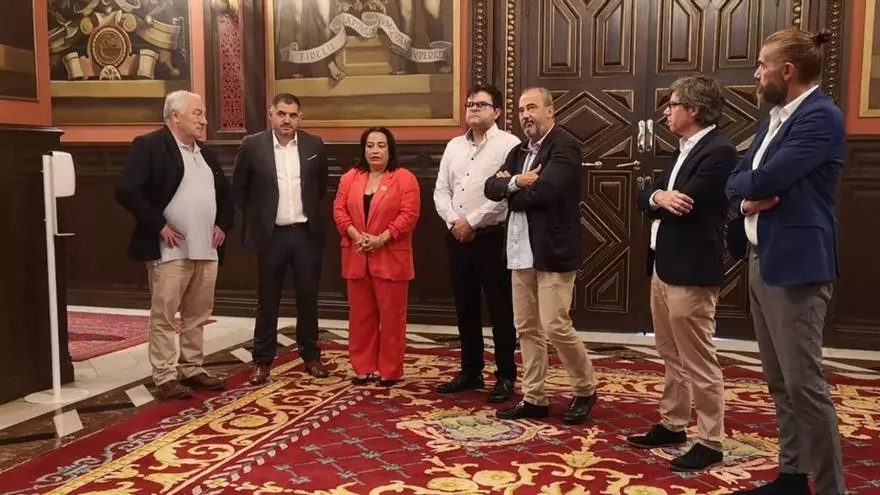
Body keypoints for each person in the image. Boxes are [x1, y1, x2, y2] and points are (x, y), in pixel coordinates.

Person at [726, 28, 845, 495]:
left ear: (787, 71)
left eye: (762, 65)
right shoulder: (775, 118)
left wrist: (747, 188)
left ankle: (832, 489)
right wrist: (744, 199)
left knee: (804, 385)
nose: (757, 73)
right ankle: (793, 476)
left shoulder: (820, 117)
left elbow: (764, 178)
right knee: (779, 381)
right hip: (763, 258)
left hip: (797, 266)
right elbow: (737, 180)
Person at [627, 75, 736, 471]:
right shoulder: (683, 150)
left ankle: (710, 440)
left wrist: (659, 200)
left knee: (698, 357)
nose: (666, 113)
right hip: (663, 264)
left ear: (693, 109)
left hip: (691, 269)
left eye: (672, 105)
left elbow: (688, 204)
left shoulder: (719, 151)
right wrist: (658, 196)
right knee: (669, 351)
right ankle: (673, 423)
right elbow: (647, 196)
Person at [484, 87, 598, 425]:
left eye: (532, 108)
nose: (526, 115)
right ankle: (534, 397)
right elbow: (490, 187)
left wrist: (511, 190)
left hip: (552, 250)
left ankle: (585, 388)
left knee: (555, 325)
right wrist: (519, 181)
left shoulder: (564, 147)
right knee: (526, 327)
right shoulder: (518, 151)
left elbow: (546, 192)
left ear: (550, 110)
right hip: (519, 250)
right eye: (521, 110)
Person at [116, 90, 233, 400]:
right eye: (198, 113)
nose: (204, 120)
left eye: (203, 114)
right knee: (165, 315)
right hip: (169, 250)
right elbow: (126, 189)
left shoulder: (205, 153)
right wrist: (158, 224)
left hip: (206, 248)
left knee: (198, 313)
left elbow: (226, 194)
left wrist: (223, 224)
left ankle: (192, 368)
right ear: (175, 116)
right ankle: (165, 375)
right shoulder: (150, 146)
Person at [232, 92, 330, 385]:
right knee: (267, 301)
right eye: (282, 114)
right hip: (271, 236)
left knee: (308, 298)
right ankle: (262, 362)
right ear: (271, 114)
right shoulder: (252, 145)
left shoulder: (314, 145)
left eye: (293, 115)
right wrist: (258, 220)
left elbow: (320, 187)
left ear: (300, 118)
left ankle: (311, 356)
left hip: (304, 234)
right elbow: (240, 189)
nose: (287, 120)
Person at [433, 84, 520, 402]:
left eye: (481, 105)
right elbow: (441, 190)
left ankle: (506, 375)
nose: (473, 109)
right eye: (470, 104)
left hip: (491, 238)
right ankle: (470, 371)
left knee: (500, 309)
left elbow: (506, 193)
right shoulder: (454, 145)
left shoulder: (510, 144)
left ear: (497, 112)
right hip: (457, 237)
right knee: (465, 308)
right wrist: (454, 222)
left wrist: (471, 221)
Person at [333, 127, 420, 386]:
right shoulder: (349, 178)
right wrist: (356, 235)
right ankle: (363, 367)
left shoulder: (404, 178)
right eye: (370, 145)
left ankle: (390, 370)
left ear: (390, 149)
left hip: (391, 257)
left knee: (392, 319)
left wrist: (380, 239)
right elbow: (339, 211)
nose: (375, 151)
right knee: (360, 318)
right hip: (357, 255)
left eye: (381, 145)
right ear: (363, 149)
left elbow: (409, 216)